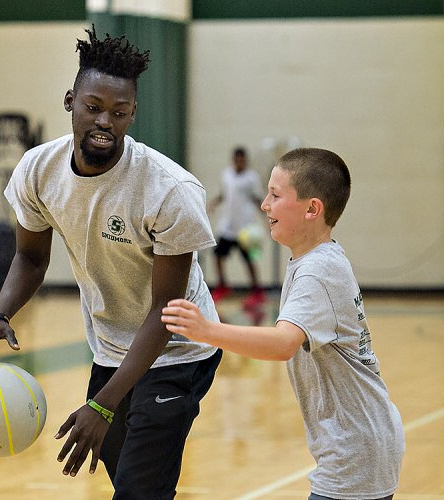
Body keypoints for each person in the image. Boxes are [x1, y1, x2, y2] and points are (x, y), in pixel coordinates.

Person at [0, 26, 222, 499]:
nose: (105, 121)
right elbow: (30, 258)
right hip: (111, 347)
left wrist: (102, 406)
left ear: (133, 114)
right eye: (93, 107)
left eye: (119, 112)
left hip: (178, 349)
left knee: (139, 493)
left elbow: (166, 310)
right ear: (70, 101)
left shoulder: (169, 191)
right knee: (132, 485)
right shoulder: (38, 171)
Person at [162, 148, 405, 500]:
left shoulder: (318, 270)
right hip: (363, 443)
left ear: (312, 209)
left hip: (356, 453)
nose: (264, 205)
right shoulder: (316, 260)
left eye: (275, 196)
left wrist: (207, 330)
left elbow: (282, 344)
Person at [208, 146, 266, 306]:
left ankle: (258, 291)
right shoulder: (227, 175)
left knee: (249, 260)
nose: (239, 162)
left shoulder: (252, 178)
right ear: (234, 160)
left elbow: (257, 199)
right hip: (228, 225)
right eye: (237, 159)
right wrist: (214, 202)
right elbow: (224, 194)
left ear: (245, 160)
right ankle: (223, 285)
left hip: (246, 227)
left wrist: (266, 216)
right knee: (218, 255)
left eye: (242, 160)